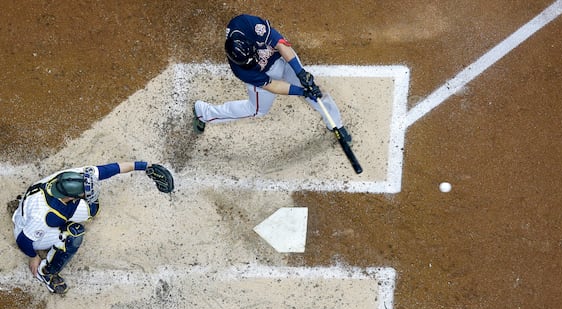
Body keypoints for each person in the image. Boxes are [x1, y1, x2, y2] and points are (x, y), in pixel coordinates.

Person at [12, 161, 171, 294]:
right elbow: (23, 240)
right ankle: (47, 272)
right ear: (70, 198)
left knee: (90, 209)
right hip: (29, 232)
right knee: (74, 234)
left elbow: (109, 169)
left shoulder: (67, 178)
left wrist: (143, 166)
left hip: (29, 208)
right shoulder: (47, 216)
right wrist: (33, 257)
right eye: (82, 194)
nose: (87, 193)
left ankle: (21, 211)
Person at [192, 14, 352, 143]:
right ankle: (203, 112)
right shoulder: (241, 70)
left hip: (283, 58)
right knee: (256, 110)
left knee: (316, 91)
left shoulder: (247, 25)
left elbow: (280, 44)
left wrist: (301, 73)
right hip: (266, 76)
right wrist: (302, 91)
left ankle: (335, 124)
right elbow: (272, 86)